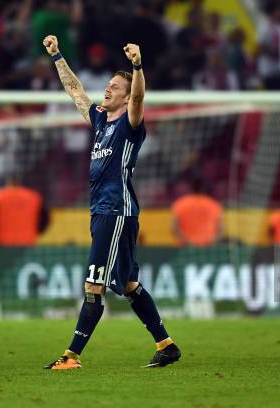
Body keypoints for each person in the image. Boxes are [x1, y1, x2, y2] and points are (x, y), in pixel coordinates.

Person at [41, 35, 180, 369]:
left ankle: (71, 355)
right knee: (129, 284)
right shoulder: (102, 121)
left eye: (116, 87)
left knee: (93, 285)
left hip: (115, 211)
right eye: (109, 84)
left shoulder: (131, 125)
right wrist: (58, 56)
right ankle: (167, 345)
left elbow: (140, 95)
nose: (108, 89)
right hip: (108, 212)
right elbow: (75, 92)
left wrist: (137, 65)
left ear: (127, 96)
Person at [0, 178, 49, 246]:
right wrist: (36, 233)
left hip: (2, 241)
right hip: (27, 241)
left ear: (8, 183)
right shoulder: (34, 197)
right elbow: (45, 219)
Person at [171, 180, 223, 247]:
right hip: (207, 247)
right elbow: (221, 230)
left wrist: (187, 242)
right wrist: (211, 242)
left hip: (184, 247)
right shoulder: (214, 205)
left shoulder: (180, 204)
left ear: (191, 188)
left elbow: (174, 228)